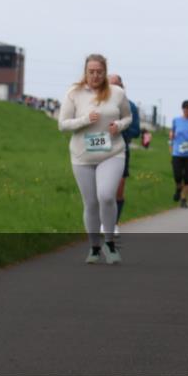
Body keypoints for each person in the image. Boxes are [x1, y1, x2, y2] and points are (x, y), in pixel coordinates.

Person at [58, 54, 132, 265]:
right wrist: (84, 120)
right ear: (85, 72)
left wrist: (119, 126)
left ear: (105, 72)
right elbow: (62, 124)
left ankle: (109, 243)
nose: (95, 75)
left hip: (112, 152)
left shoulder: (117, 93)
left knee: (107, 196)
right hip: (82, 156)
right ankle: (94, 247)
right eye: (91, 71)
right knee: (90, 203)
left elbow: (128, 117)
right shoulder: (75, 93)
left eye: (99, 71)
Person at [106, 74, 139, 237]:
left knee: (118, 189)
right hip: (101, 149)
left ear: (122, 87)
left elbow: (136, 131)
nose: (114, 89)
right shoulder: (98, 103)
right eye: (110, 85)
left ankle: (113, 223)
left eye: (117, 85)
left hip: (121, 149)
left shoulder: (130, 106)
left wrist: (119, 128)